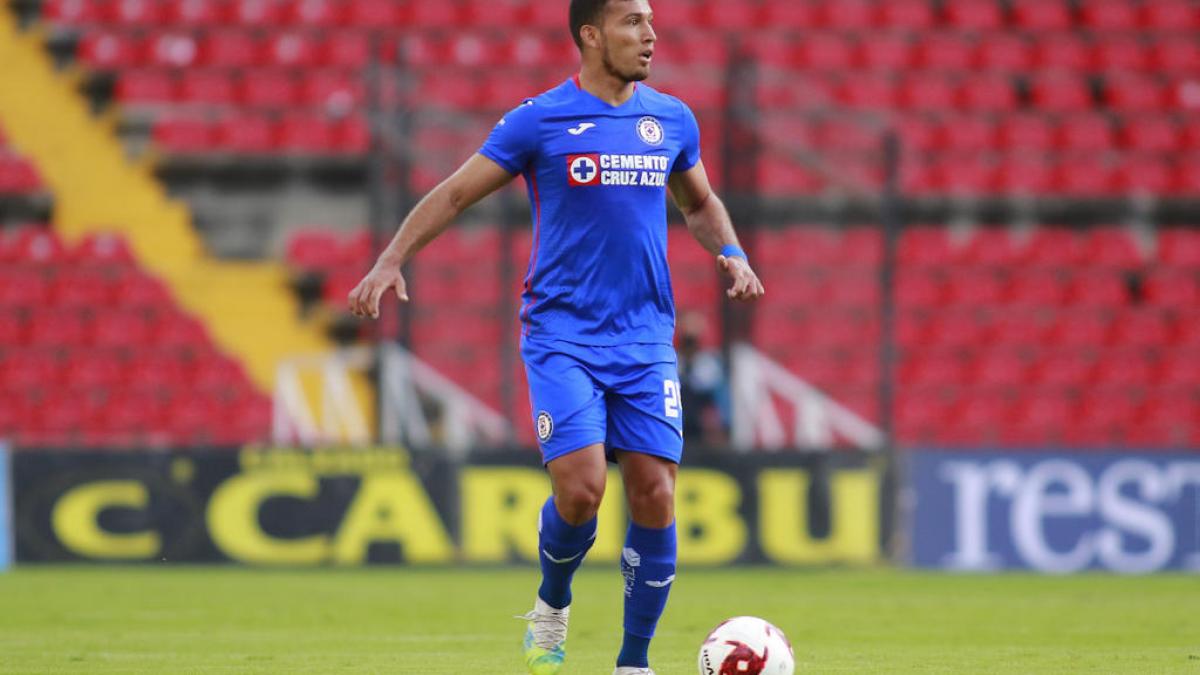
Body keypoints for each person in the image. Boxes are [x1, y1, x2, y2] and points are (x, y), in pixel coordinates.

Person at [347, 1, 764, 672]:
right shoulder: (540, 119)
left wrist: (734, 252)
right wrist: (391, 257)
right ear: (591, 34)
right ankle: (552, 603)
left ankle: (633, 661)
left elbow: (700, 202)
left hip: (646, 336)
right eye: (632, 21)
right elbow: (455, 194)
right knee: (583, 489)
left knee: (655, 490)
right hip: (562, 333)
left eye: (652, 20)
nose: (650, 34)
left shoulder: (672, 120)